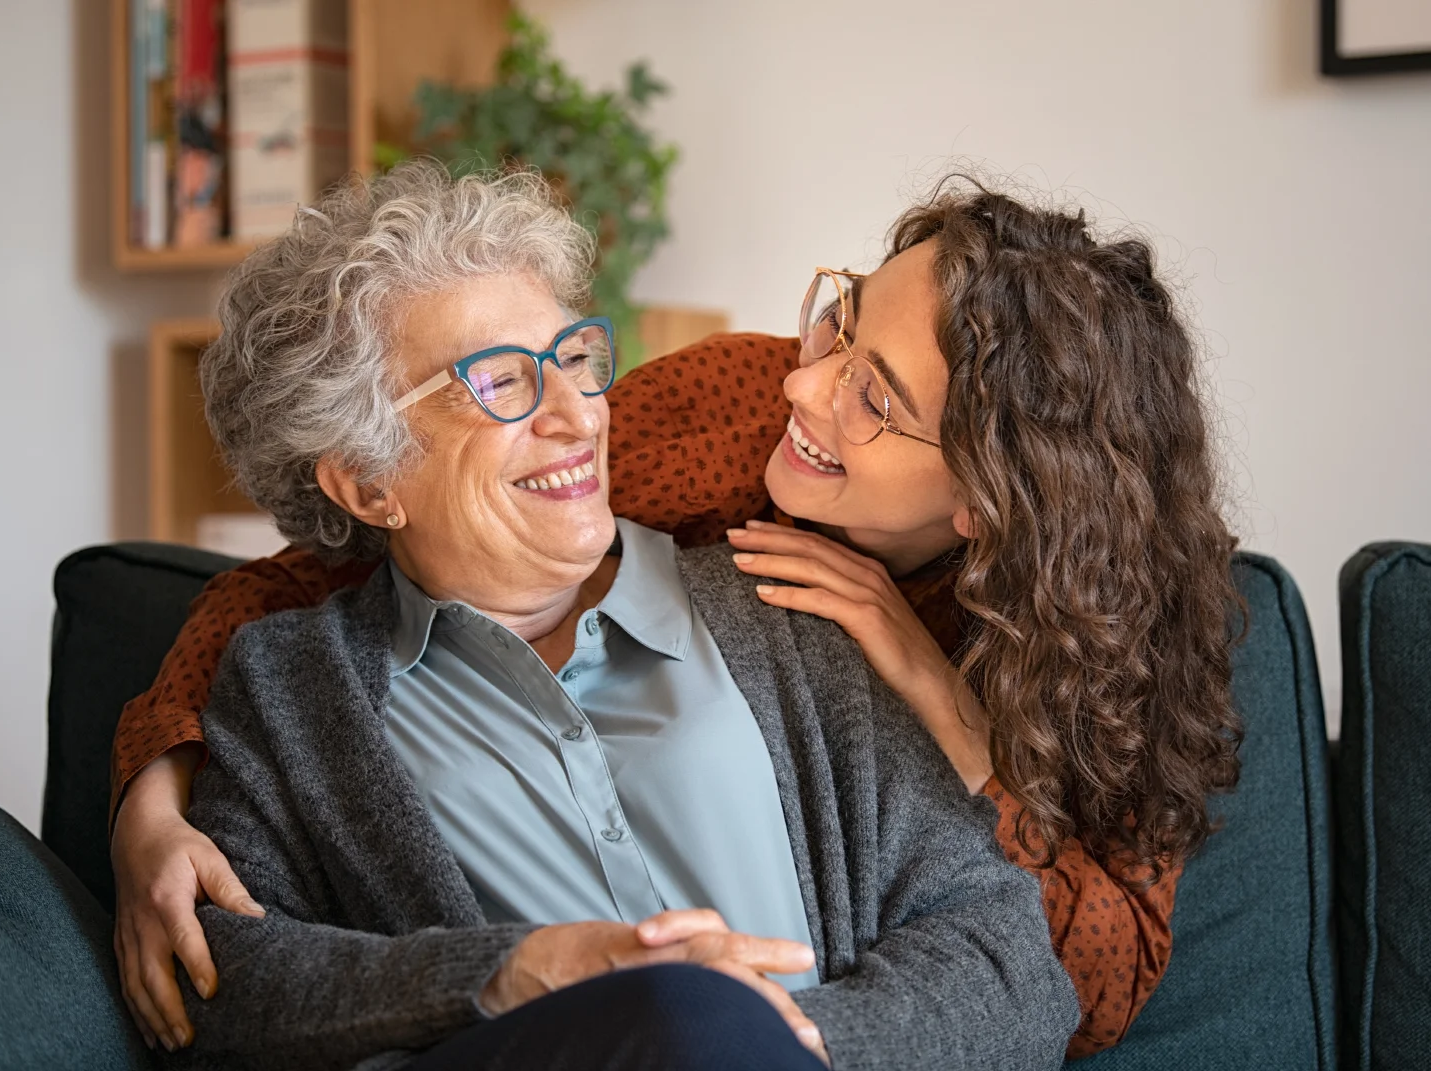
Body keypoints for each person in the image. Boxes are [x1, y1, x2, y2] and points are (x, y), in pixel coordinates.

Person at [111, 173, 1240, 1059]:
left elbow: (1050, 976)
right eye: (838, 326)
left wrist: (938, 705)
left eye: (874, 396)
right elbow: (294, 581)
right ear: (367, 475)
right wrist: (150, 802)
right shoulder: (731, 422)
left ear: (990, 499)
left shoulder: (835, 632)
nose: (806, 386)